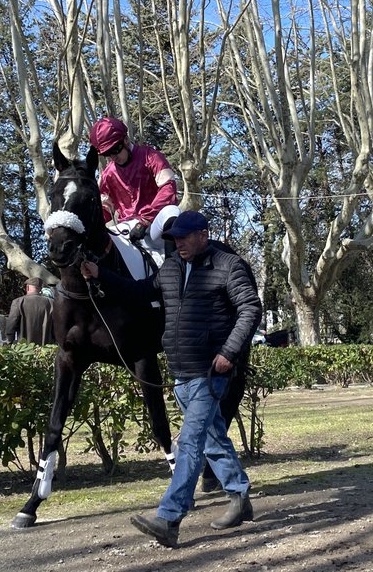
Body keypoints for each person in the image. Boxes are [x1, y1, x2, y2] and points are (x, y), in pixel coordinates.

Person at [81, 210, 261, 548]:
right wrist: (99, 275)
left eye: (184, 236)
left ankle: (169, 518)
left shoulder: (228, 265)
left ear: (203, 235)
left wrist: (229, 353)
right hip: (181, 375)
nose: (177, 242)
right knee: (212, 439)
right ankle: (239, 497)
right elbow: (138, 291)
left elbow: (251, 309)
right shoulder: (171, 268)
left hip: (210, 373)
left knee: (190, 445)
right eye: (174, 238)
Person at [89, 116, 179, 256]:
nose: (113, 157)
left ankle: (174, 268)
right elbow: (105, 212)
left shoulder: (151, 157)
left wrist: (145, 221)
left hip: (154, 225)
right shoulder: (107, 175)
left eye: (115, 150)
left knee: (172, 212)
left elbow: (168, 189)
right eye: (107, 154)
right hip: (126, 230)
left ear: (125, 140)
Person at [6, 277, 54, 345]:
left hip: (24, 350)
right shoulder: (51, 303)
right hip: (46, 350)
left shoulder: (18, 302)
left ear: (27, 287)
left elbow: (10, 326)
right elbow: (57, 327)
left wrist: (9, 342)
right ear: (40, 288)